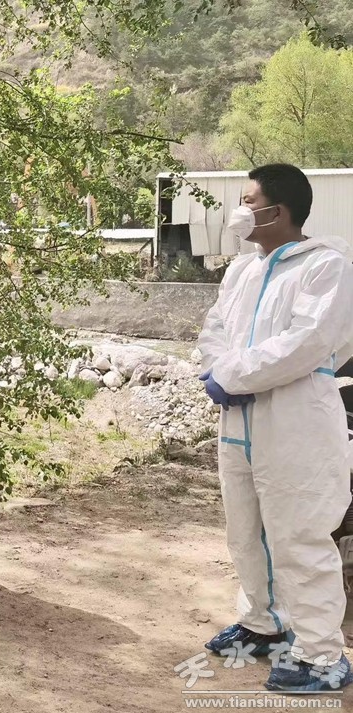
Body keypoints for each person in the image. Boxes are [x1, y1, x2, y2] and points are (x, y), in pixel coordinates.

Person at [197, 163, 353, 692]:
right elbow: (215, 329)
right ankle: (263, 623)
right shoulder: (242, 271)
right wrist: (218, 371)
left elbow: (308, 342)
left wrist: (234, 374)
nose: (239, 211)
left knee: (299, 535)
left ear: (277, 211)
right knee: (245, 529)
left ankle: (322, 656)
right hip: (238, 420)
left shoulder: (325, 266)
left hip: (294, 419)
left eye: (248, 201)